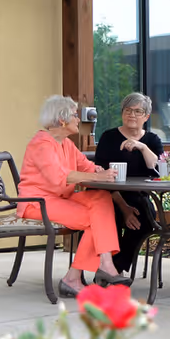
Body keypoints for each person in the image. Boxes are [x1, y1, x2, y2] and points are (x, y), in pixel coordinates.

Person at [18, 95, 132, 299]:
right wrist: (97, 175)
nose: (78, 119)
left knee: (101, 198)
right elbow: (58, 177)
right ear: (62, 119)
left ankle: (100, 266)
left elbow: (85, 166)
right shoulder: (41, 144)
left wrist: (98, 170)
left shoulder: (66, 144)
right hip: (38, 202)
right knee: (94, 220)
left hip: (61, 199)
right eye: (74, 115)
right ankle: (83, 274)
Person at [93, 93, 163, 276]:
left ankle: (115, 268)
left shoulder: (152, 140)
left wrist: (142, 147)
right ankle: (111, 269)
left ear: (146, 117)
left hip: (138, 196)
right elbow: (98, 172)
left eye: (138, 111)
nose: (132, 115)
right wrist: (124, 208)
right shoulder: (109, 137)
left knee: (146, 218)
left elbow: (157, 168)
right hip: (109, 194)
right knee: (111, 216)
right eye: (128, 110)